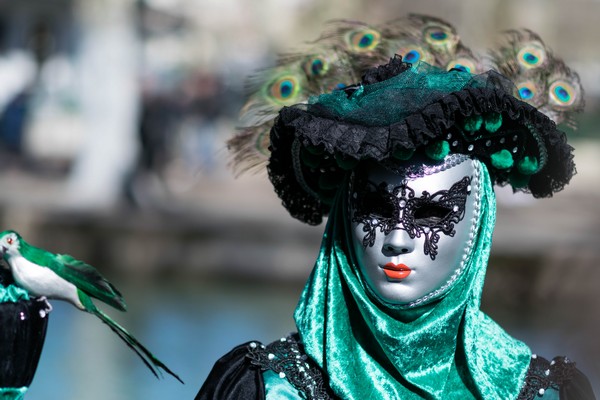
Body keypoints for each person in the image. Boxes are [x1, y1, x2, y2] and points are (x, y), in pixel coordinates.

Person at [196, 56, 595, 399]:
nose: (398, 241)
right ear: (344, 218)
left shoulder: (544, 392)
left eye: (433, 214)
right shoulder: (267, 389)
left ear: (478, 224)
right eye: (375, 208)